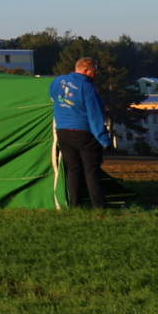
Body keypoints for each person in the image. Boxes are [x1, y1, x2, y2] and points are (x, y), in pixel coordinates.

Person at [50, 56, 111, 210]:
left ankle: (76, 205)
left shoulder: (58, 81)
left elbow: (53, 97)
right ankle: (99, 206)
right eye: (94, 71)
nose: (96, 75)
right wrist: (104, 140)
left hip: (63, 132)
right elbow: (95, 116)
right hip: (83, 133)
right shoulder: (87, 87)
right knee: (91, 170)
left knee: (73, 169)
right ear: (85, 70)